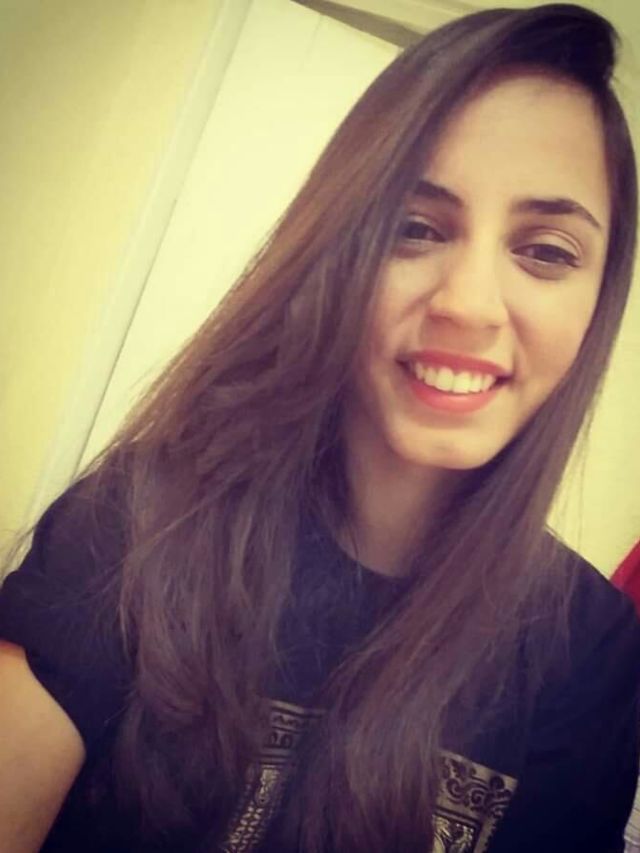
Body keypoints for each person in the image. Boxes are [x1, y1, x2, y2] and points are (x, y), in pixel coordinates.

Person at [1, 3, 639, 852]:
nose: (467, 303)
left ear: (598, 301)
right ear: (339, 251)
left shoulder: (593, 651)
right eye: (414, 229)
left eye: (547, 250)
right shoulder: (134, 519)